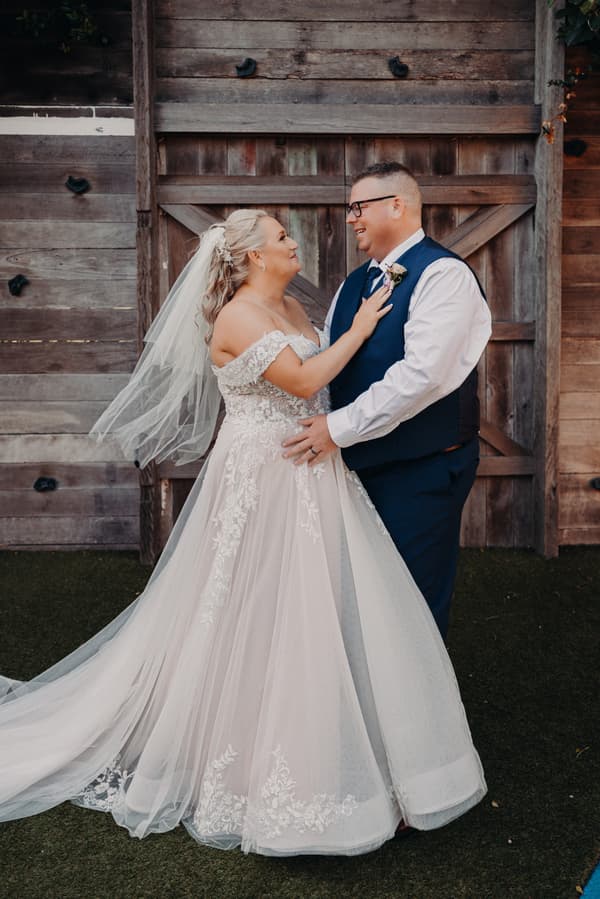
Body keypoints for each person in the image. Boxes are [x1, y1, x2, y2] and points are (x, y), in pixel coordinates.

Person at [0, 209, 486, 857]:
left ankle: (317, 734)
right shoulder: (237, 316)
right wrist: (366, 324)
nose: (294, 242)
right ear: (255, 255)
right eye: (282, 236)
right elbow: (307, 379)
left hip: (308, 468)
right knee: (255, 602)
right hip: (263, 474)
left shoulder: (288, 307)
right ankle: (237, 746)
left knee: (311, 602)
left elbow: (325, 383)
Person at [283, 162, 492, 638]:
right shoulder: (355, 283)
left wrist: (335, 430)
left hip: (421, 468)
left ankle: (416, 709)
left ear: (396, 206)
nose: (350, 217)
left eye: (358, 207)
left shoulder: (444, 276)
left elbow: (423, 376)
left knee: (409, 599)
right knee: (365, 593)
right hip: (358, 465)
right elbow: (332, 352)